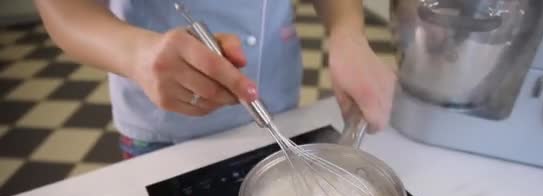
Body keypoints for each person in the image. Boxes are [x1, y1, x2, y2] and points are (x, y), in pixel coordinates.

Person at [34, 0, 396, 158]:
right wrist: (137, 54)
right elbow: (63, 8)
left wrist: (347, 31)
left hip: (279, 97)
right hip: (164, 128)